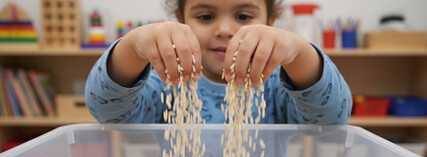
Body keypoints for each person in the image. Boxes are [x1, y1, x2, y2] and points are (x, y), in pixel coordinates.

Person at [85, 0, 352, 125]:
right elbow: (107, 112)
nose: (225, 29)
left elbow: (330, 120)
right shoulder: (166, 79)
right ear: (181, 20)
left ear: (270, 23)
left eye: (244, 15)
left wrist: (300, 53)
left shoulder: (277, 84)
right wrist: (131, 48)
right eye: (205, 16)